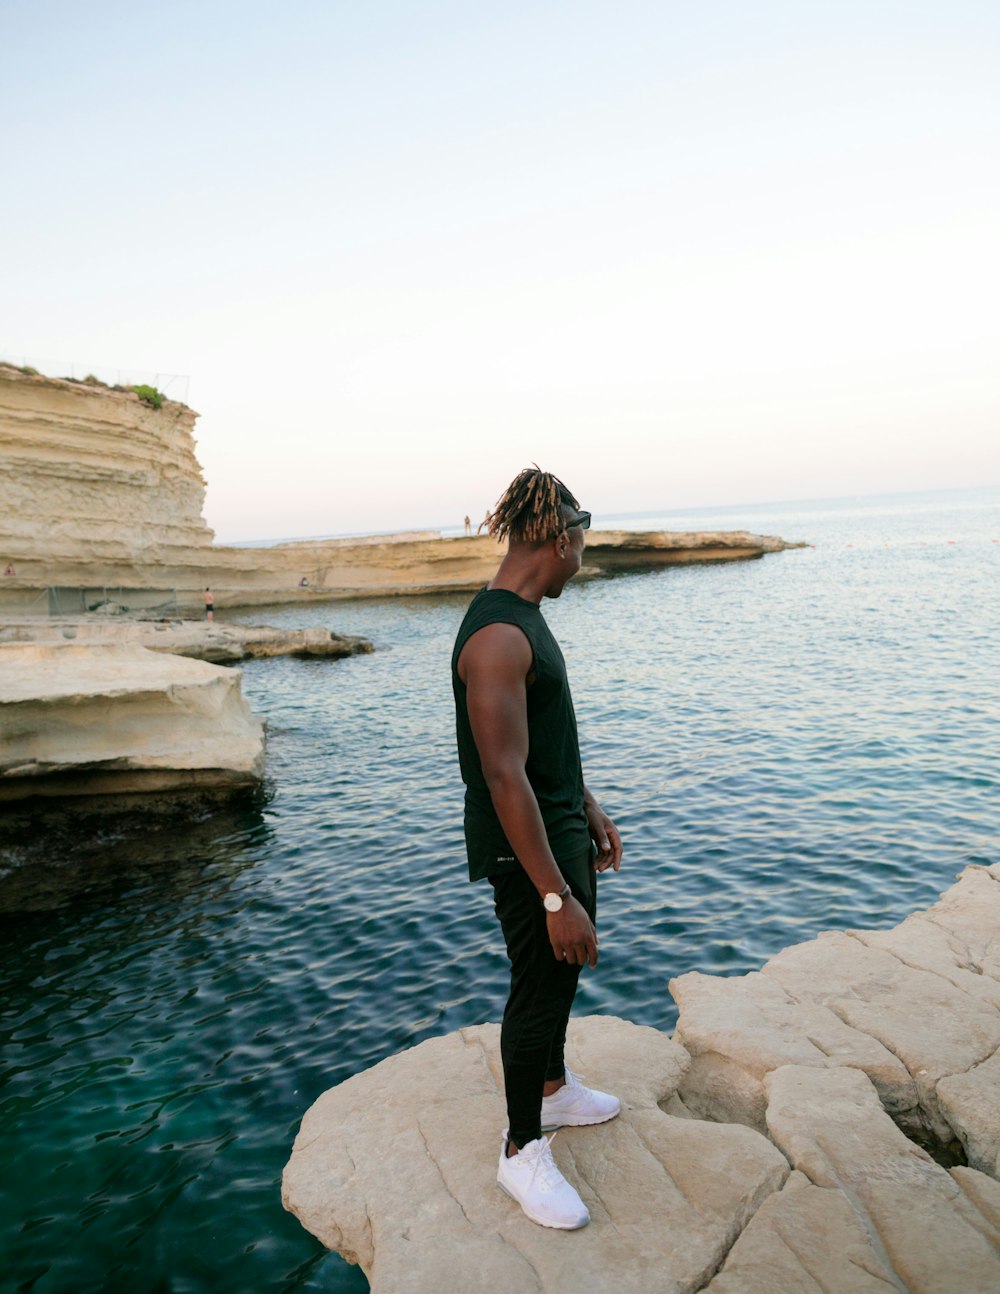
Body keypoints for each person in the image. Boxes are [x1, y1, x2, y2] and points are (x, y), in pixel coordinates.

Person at [451, 466, 623, 1231]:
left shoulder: (524, 616)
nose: (585, 555)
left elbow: (541, 748)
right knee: (540, 982)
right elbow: (502, 773)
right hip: (525, 850)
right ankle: (521, 1149)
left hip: (555, 829)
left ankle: (554, 1087)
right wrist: (555, 895)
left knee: (559, 978)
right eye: (583, 538)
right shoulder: (496, 637)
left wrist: (586, 806)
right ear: (559, 538)